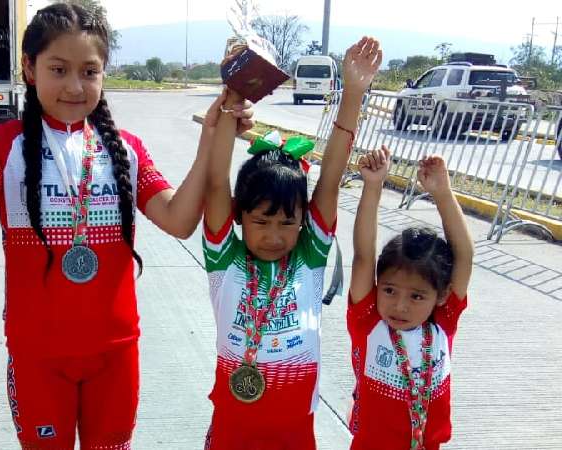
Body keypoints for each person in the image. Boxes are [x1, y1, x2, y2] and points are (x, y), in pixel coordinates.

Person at [0, 3, 252, 449]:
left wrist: (211, 138)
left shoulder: (126, 149)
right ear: (29, 69)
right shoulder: (5, 144)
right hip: (38, 357)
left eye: (89, 71)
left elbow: (180, 220)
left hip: (115, 354)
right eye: (58, 69)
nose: (74, 86)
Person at [201, 37, 382, 450]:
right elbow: (215, 183)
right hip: (233, 428)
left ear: (304, 221)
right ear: (238, 216)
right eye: (260, 220)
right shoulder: (224, 259)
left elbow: (331, 177)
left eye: (287, 222)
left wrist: (353, 92)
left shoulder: (309, 257)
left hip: (295, 432)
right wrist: (235, 95)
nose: (273, 234)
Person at [347, 148, 473, 450]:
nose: (400, 305)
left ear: (441, 296)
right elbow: (364, 256)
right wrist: (373, 186)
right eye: (389, 290)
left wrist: (442, 193)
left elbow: (465, 255)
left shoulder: (444, 321)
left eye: (417, 296)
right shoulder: (368, 322)